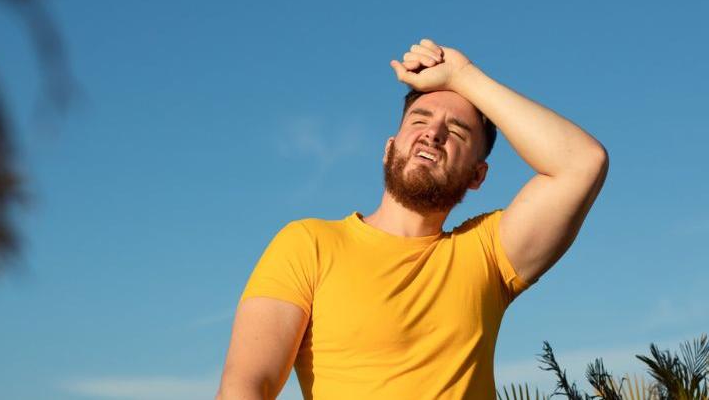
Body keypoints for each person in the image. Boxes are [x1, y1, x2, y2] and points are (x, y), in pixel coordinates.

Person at [216, 38, 609, 399]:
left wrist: (462, 75)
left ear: (477, 176)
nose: (433, 134)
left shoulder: (486, 255)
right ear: (390, 149)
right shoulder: (308, 244)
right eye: (419, 121)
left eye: (456, 131)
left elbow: (582, 163)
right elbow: (247, 384)